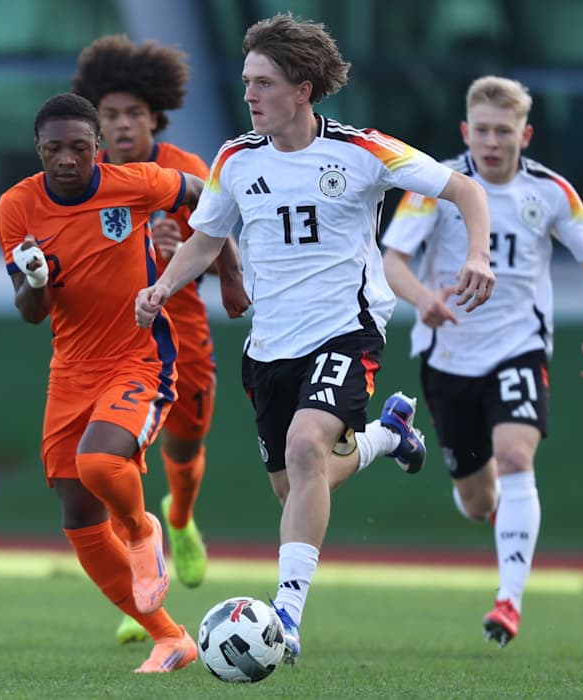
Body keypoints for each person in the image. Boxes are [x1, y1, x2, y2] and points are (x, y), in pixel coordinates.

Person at [134, 13, 496, 664]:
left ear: (302, 90)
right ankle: (387, 437)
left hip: (347, 331)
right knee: (299, 483)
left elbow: (465, 189)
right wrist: (162, 286)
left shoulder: (362, 150)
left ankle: (287, 619)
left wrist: (478, 255)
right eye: (246, 81)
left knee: (306, 449)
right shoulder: (234, 160)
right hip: (270, 347)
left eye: (263, 83)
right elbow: (207, 240)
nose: (250, 94)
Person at [381, 76, 583, 648]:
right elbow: (393, 259)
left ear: (524, 135)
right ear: (466, 131)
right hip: (448, 356)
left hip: (518, 348)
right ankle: (500, 515)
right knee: (478, 500)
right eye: (482, 130)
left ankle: (509, 600)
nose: (492, 142)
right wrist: (423, 299)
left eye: (503, 132)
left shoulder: (552, 193)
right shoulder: (435, 185)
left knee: (515, 456)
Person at [0, 93, 205, 673]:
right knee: (79, 520)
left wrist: (225, 266)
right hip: (71, 369)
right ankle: (171, 639)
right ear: (38, 149)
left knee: (100, 462)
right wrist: (36, 279)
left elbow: (203, 194)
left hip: (139, 356)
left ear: (99, 147)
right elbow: (31, 312)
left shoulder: (136, 183)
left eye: (79, 147)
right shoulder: (17, 206)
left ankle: (141, 531)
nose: (67, 159)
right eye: (54, 149)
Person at [70, 35, 251, 645]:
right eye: (110, 114)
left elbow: (216, 236)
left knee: (186, 442)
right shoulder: (86, 177)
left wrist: (207, 267)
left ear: (155, 117)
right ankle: (142, 587)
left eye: (133, 113)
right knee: (115, 458)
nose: (122, 125)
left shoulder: (183, 168)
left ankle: (180, 518)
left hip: (182, 332)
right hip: (114, 340)